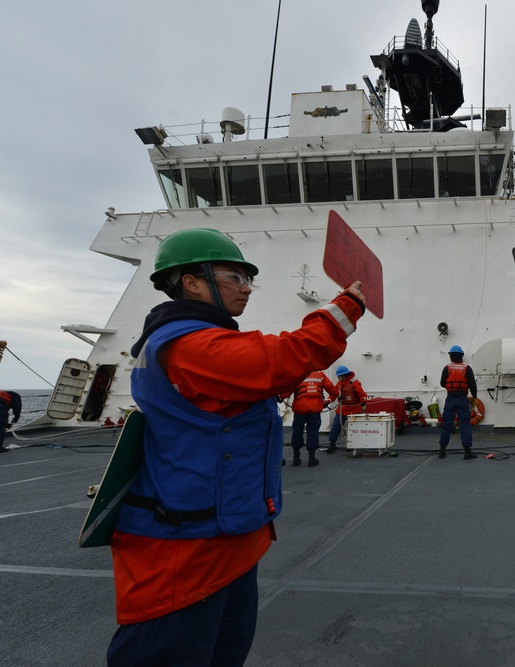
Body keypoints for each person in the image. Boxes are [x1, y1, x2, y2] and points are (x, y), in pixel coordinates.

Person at [106, 228, 365, 666]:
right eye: (235, 278)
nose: (246, 289)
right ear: (191, 281)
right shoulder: (191, 345)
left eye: (249, 281)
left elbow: (266, 377)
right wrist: (344, 308)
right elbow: (281, 360)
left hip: (225, 540)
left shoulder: (198, 340)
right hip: (186, 555)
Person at [282, 370, 337, 467]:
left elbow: (288, 390)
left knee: (297, 432)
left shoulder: (298, 373)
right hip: (315, 409)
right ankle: (311, 458)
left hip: (300, 409)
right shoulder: (320, 375)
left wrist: (281, 397)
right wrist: (336, 395)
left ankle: (296, 458)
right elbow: (332, 391)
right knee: (313, 432)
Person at [438, 345, 478, 460]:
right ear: (461, 355)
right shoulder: (467, 368)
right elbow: (472, 385)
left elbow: (442, 383)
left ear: (451, 356)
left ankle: (442, 451)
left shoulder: (447, 368)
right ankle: (467, 452)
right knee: (465, 425)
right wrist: (474, 397)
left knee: (446, 425)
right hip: (462, 399)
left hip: (450, 399)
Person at [325, 365, 367, 452]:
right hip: (342, 409)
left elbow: (362, 394)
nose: (339, 378)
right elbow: (333, 394)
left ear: (345, 375)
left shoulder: (355, 383)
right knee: (336, 426)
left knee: (353, 428)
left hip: (353, 409)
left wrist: (363, 401)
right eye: (339, 376)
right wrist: (328, 401)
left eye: (340, 376)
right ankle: (332, 443)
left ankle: (352, 444)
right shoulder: (339, 384)